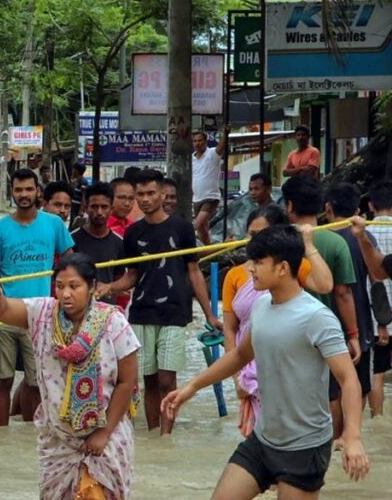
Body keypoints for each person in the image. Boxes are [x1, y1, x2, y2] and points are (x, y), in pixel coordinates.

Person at [163, 225, 370, 500]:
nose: (251, 269)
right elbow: (240, 355)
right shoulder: (261, 307)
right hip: (264, 438)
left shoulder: (317, 317)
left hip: (305, 445)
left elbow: (348, 379)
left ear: (283, 267)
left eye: (259, 262)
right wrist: (191, 388)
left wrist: (353, 437)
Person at [0, 253, 140, 500]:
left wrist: (103, 434)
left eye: (74, 286)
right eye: (60, 286)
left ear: (92, 287)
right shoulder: (42, 314)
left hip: (105, 438)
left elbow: (127, 382)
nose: (66, 294)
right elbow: (3, 310)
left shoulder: (113, 322)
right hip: (57, 439)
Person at [96, 169, 220, 435]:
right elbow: (132, 276)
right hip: (141, 312)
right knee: (148, 379)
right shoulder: (133, 233)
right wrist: (110, 287)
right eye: (140, 194)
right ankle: (155, 435)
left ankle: (166, 435)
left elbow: (194, 271)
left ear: (163, 194)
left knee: (167, 378)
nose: (145, 199)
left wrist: (210, 314)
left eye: (150, 193)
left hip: (175, 311)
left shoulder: (182, 228)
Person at [222, 204, 333, 436]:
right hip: (249, 362)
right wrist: (237, 377)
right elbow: (230, 329)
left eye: (262, 234)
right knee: (255, 436)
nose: (255, 241)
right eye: (252, 234)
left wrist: (308, 245)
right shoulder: (234, 275)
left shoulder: (287, 266)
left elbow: (324, 285)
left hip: (283, 360)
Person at [0, 168, 74, 427]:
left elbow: (70, 261)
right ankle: (2, 435)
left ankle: (31, 434)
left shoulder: (53, 224)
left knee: (36, 380)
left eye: (28, 189)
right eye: (18, 190)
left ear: (38, 192)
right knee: (3, 379)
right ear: (12, 193)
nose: (23, 195)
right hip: (5, 312)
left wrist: (64, 295)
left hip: (41, 314)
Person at [283, 175, 362, 437]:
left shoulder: (280, 242)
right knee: (330, 393)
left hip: (287, 330)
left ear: (289, 205)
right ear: (321, 206)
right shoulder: (336, 243)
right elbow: (343, 294)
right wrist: (353, 334)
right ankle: (332, 443)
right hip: (325, 332)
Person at [326, 182, 376, 437]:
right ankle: (350, 436)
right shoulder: (364, 237)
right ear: (357, 209)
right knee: (358, 384)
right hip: (361, 322)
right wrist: (383, 322)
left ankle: (336, 439)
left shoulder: (319, 240)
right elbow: (377, 280)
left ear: (328, 207)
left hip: (326, 323)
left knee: (332, 389)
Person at [70, 182, 125, 306]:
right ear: (85, 208)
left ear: (111, 209)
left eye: (104, 207)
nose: (99, 212)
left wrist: (110, 287)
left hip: (108, 310)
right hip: (78, 309)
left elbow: (119, 280)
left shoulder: (119, 242)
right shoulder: (71, 240)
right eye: (94, 206)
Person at [364, 181, 392, 418]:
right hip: (382, 315)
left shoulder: (364, 234)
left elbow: (374, 278)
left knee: (378, 374)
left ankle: (377, 419)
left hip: (377, 316)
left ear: (371, 205)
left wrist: (381, 322)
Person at [192, 127, 229, 245]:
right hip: (196, 199)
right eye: (195, 141)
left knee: (197, 224)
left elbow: (221, 147)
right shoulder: (191, 159)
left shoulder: (212, 153)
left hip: (211, 197)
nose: (197, 143)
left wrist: (226, 134)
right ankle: (208, 250)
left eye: (200, 140)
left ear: (205, 141)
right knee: (202, 228)